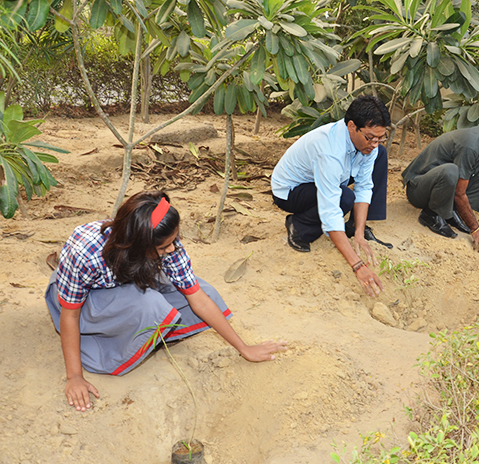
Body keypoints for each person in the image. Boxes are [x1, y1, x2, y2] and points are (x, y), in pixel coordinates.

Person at [45, 191, 288, 412]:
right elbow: (71, 314)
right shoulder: (86, 251)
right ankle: (108, 346)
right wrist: (74, 376)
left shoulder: (165, 243)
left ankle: (144, 332)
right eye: (163, 246)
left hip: (133, 281)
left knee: (208, 292)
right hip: (86, 301)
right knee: (150, 306)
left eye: (174, 240)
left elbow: (199, 299)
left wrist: (243, 348)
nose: (172, 248)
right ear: (138, 245)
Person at [271, 95, 392, 297]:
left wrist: (359, 234)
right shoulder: (329, 149)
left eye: (381, 137)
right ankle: (298, 226)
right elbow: (330, 209)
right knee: (343, 198)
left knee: (379, 157)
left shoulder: (368, 144)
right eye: (370, 137)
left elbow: (364, 186)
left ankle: (352, 227)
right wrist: (357, 266)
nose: (374, 143)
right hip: (290, 191)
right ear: (352, 126)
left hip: (328, 180)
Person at [401, 117, 479, 253]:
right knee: (451, 171)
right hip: (418, 189)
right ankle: (431, 215)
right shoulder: (471, 145)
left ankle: (449, 211)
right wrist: (475, 230)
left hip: (442, 192)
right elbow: (459, 193)